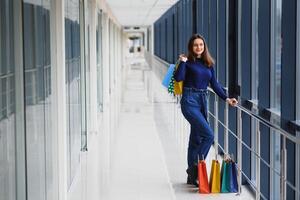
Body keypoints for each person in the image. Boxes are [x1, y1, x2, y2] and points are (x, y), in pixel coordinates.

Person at [174, 34, 238, 187]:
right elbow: (178, 78)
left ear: (204, 46)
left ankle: (192, 177)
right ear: (191, 47)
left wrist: (227, 98)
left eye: (201, 45)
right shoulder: (187, 62)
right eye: (196, 45)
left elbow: (214, 84)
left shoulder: (209, 64)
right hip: (189, 100)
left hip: (203, 100)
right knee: (209, 135)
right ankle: (195, 168)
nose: (199, 47)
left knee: (195, 139)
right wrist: (182, 62)